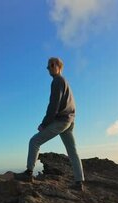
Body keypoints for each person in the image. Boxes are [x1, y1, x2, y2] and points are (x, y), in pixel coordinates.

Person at [15, 57, 85, 191]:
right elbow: (71, 105)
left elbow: (54, 105)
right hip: (69, 120)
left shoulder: (57, 81)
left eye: (52, 65)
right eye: (48, 67)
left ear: (59, 66)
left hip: (62, 120)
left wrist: (44, 124)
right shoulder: (65, 82)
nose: (49, 68)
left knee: (34, 141)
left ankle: (29, 173)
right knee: (72, 151)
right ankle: (79, 182)